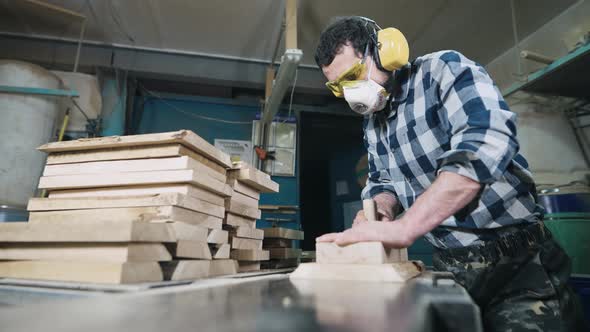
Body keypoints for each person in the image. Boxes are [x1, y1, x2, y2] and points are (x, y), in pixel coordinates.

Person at [314, 16, 584, 331]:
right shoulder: (372, 123)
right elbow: (381, 180)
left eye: (353, 75)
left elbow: (484, 144)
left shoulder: (443, 70)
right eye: (339, 86)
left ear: (384, 50)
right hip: (450, 267)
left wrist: (405, 228)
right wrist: (381, 208)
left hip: (518, 262)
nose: (350, 93)